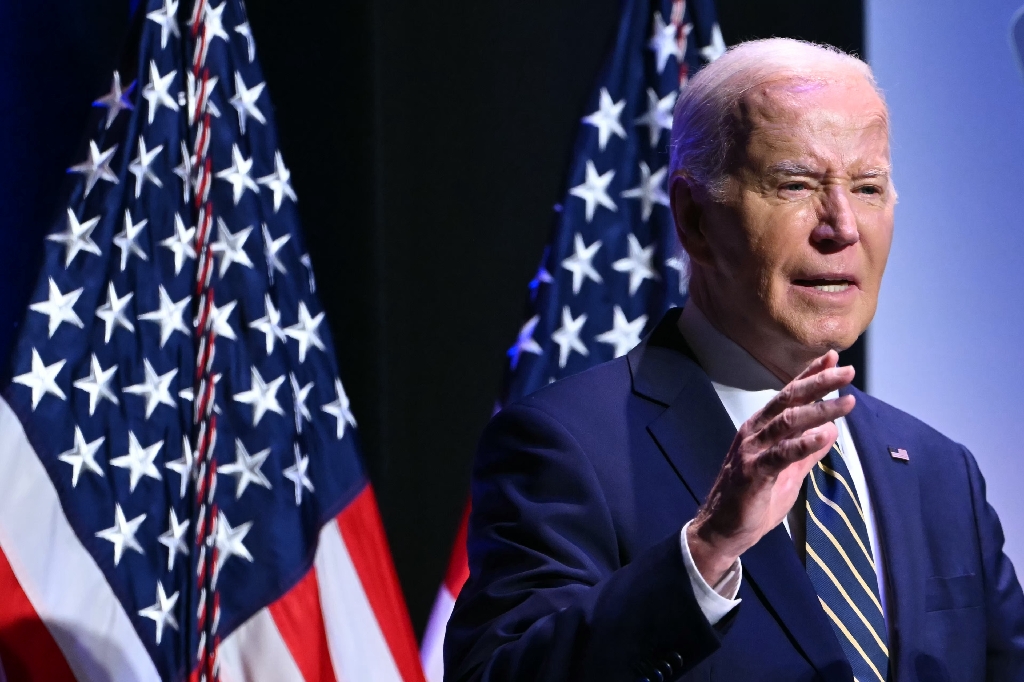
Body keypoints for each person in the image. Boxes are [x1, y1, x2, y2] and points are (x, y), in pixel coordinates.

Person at [444, 39, 1024, 682]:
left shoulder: (942, 471)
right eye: (796, 183)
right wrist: (708, 549)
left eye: (867, 187)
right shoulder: (566, 446)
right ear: (694, 219)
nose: (841, 226)